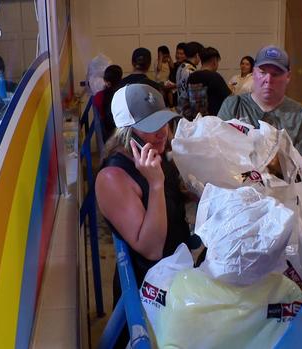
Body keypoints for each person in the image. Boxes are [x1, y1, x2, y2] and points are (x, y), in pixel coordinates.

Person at [96, 84, 195, 347]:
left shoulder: (154, 155)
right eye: (150, 126)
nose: (162, 132)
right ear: (127, 132)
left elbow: (178, 197)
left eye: (163, 122)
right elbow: (151, 248)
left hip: (176, 274)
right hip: (148, 293)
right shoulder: (112, 178)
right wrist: (156, 184)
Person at [217, 45, 302, 172]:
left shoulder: (300, 115)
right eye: (263, 72)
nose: (268, 80)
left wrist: (281, 164)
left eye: (276, 74)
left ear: (288, 76)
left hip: (281, 190)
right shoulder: (233, 105)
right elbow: (216, 148)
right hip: (236, 188)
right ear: (253, 73)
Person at [186, 47, 231, 117]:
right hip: (212, 121)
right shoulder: (214, 76)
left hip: (195, 119)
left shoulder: (191, 77)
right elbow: (229, 98)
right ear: (214, 61)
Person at [92, 64, 123, 142]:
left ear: (105, 81)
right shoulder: (123, 95)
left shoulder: (98, 97)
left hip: (106, 136)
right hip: (122, 134)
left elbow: (99, 118)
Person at [176, 41, 204, 117]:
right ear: (197, 55)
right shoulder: (191, 71)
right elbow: (194, 97)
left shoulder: (181, 66)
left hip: (180, 108)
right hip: (188, 112)